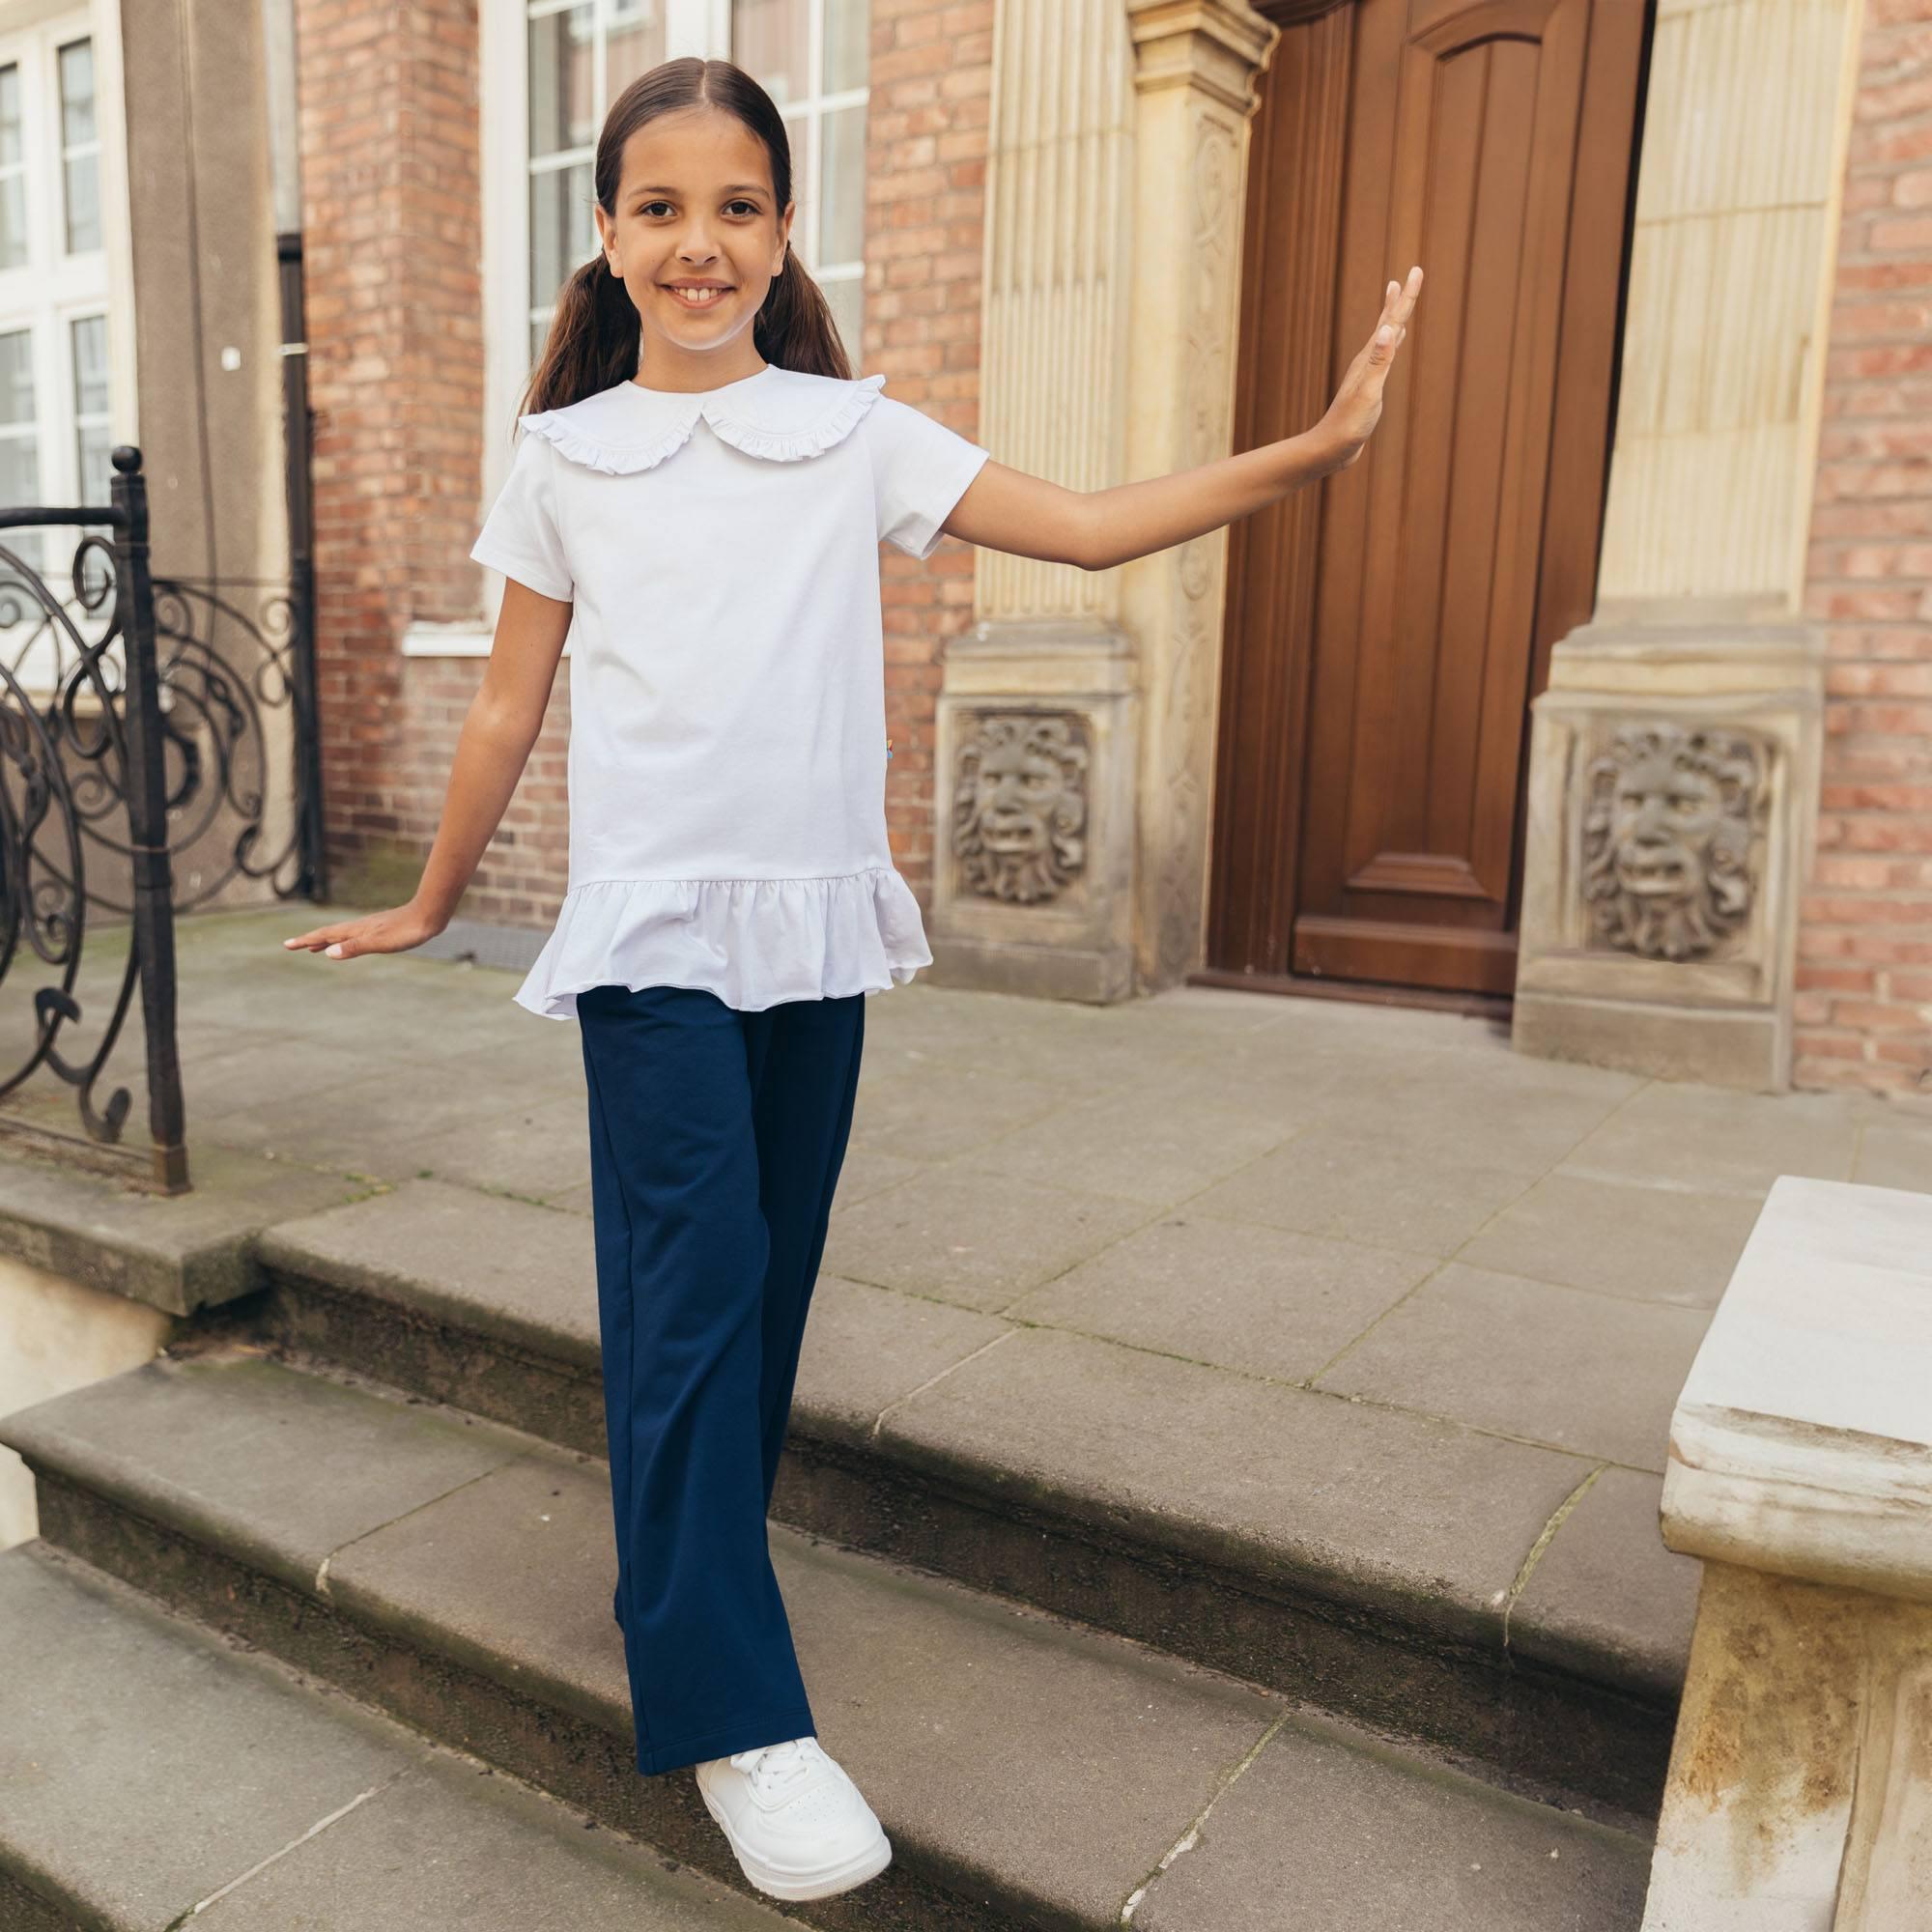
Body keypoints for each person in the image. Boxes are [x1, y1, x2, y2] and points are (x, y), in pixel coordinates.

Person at [281, 53, 1420, 1907]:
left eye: (738, 206)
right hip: (653, 934)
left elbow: (1094, 523)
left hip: (813, 931)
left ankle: (676, 1568)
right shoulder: (567, 457)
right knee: (695, 1279)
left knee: (765, 1290)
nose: (700, 243)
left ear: (786, 227)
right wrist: (428, 905)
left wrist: (1310, 452)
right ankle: (736, 1709)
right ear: (606, 233)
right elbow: (506, 697)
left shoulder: (857, 432)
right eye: (660, 207)